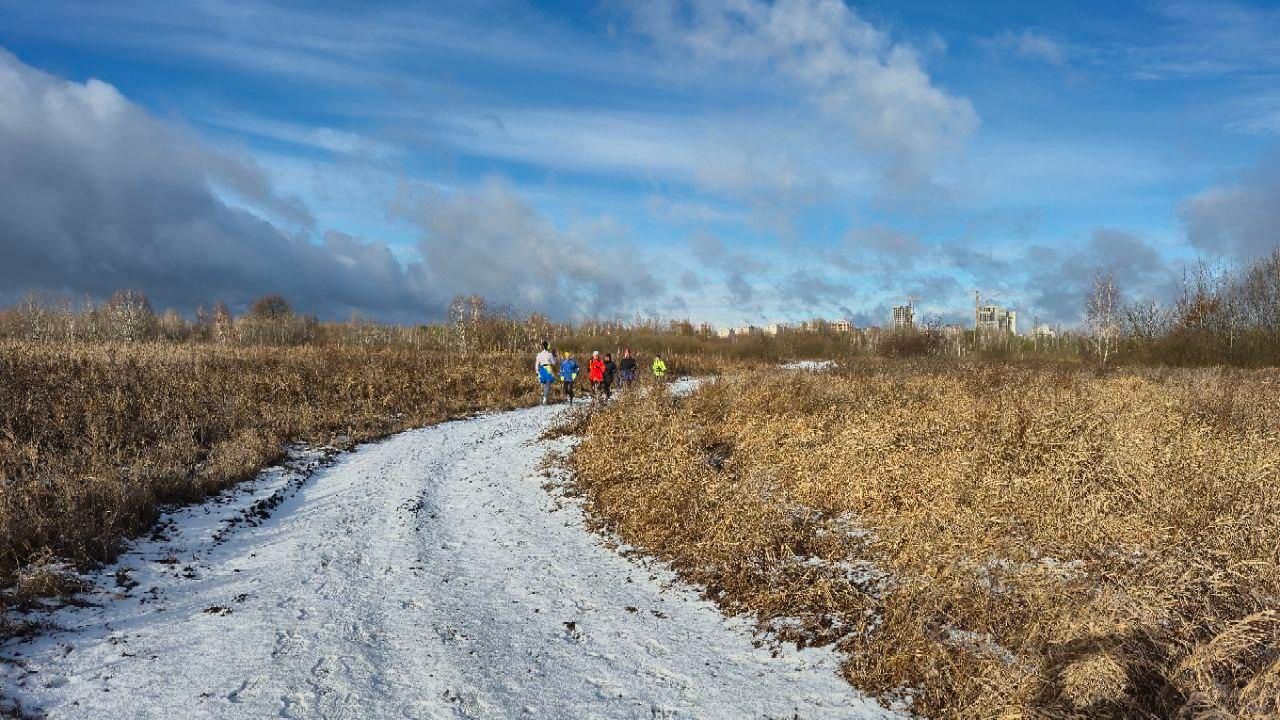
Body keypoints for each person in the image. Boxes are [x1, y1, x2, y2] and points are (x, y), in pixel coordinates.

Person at [535, 340, 557, 405]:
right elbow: (554, 363)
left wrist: (537, 371)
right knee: (548, 384)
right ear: (547, 346)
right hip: (548, 370)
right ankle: (544, 400)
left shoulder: (539, 354)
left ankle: (544, 397)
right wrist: (555, 356)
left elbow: (537, 363)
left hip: (542, 370)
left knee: (544, 384)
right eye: (549, 345)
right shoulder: (550, 354)